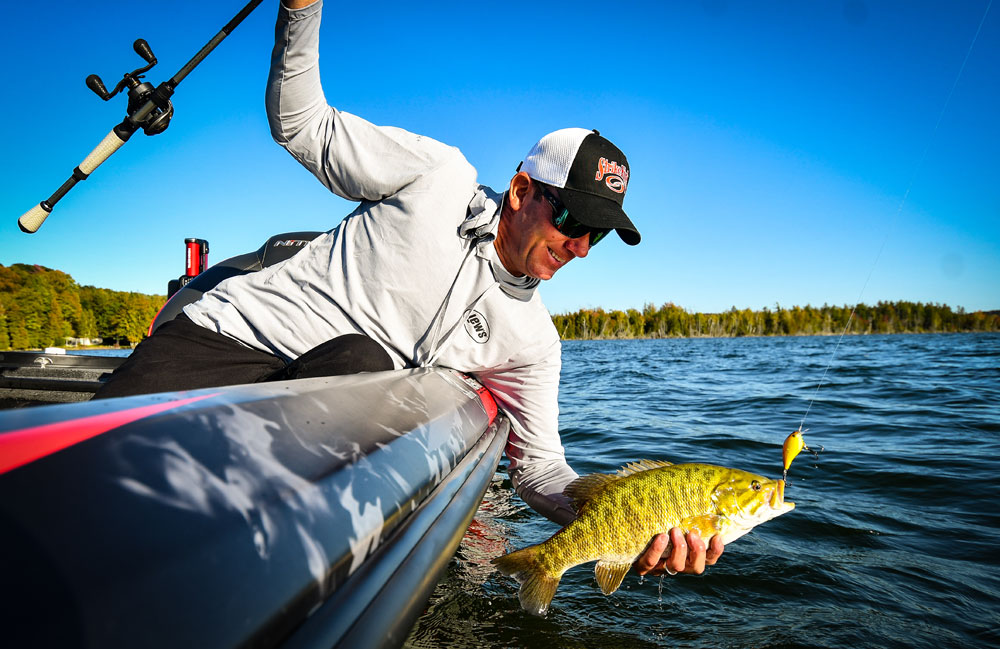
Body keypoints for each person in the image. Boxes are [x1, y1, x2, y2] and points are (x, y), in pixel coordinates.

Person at [95, 0, 723, 577]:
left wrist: (634, 527)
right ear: (523, 190)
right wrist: (302, 9)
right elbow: (302, 125)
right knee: (84, 479)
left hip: (336, 391)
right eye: (573, 220)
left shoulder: (534, 344)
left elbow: (539, 470)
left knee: (364, 363)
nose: (581, 247)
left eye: (599, 236)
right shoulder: (438, 175)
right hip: (225, 338)